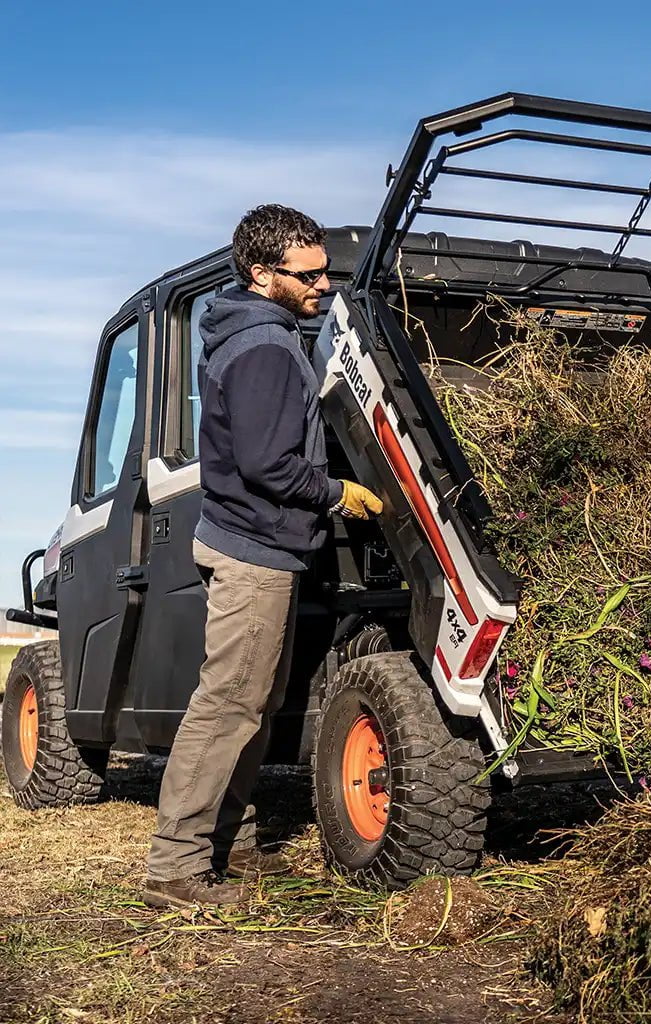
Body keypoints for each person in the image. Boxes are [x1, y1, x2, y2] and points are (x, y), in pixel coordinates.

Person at [144, 205, 383, 908]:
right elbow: (267, 463)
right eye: (308, 274)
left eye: (324, 269)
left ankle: (233, 841)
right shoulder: (266, 350)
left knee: (253, 700)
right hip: (255, 549)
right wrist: (338, 492)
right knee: (227, 705)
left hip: (253, 542)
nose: (324, 284)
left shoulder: (258, 331)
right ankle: (178, 868)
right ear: (260, 273)